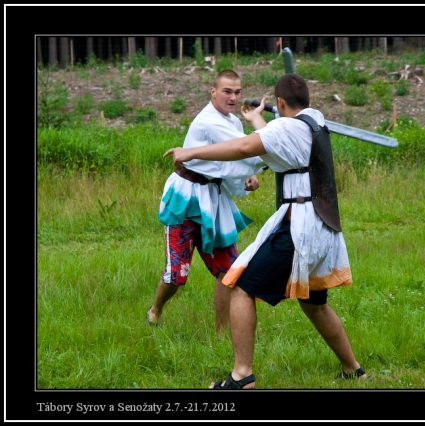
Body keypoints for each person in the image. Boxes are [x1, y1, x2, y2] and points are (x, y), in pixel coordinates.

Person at [163, 73, 367, 389]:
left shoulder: (289, 128)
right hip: (323, 228)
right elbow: (274, 138)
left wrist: (192, 153)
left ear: (280, 103)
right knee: (314, 303)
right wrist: (257, 119)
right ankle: (353, 369)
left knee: (241, 289)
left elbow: (245, 146)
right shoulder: (315, 122)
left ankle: (241, 375)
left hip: (299, 230)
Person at [147, 70, 266, 333]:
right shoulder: (208, 121)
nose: (233, 97)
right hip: (186, 199)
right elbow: (249, 148)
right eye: (227, 91)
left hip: (213, 199)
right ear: (213, 92)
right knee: (176, 275)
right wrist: (266, 145)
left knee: (227, 270)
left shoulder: (233, 122)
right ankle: (155, 310)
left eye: (237, 92)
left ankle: (221, 334)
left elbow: (231, 160)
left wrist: (248, 177)